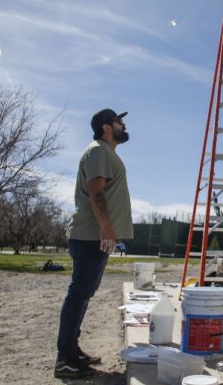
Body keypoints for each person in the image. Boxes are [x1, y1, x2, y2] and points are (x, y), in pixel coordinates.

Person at [54, 109, 133, 380]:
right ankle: (65, 358)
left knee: (83, 294)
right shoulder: (98, 151)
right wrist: (106, 227)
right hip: (91, 235)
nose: (124, 125)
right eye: (119, 122)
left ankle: (72, 352)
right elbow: (95, 190)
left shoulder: (107, 152)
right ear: (106, 127)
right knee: (78, 295)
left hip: (94, 236)